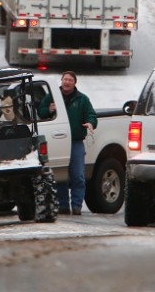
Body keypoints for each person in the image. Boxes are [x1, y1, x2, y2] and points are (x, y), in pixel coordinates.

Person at [38, 71, 97, 215]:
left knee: (78, 176)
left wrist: (90, 123)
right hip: (58, 141)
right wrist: (48, 110)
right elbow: (40, 112)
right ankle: (63, 206)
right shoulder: (52, 97)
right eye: (65, 79)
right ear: (61, 80)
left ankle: (76, 206)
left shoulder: (82, 99)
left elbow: (91, 115)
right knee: (60, 176)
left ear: (74, 83)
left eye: (70, 80)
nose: (67, 82)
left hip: (76, 142)